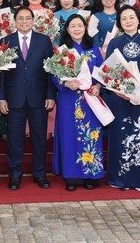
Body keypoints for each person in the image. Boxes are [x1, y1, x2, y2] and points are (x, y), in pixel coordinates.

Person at [0, 6, 56, 190]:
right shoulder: (5, 40)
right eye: (20, 18)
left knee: (39, 138)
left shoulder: (44, 41)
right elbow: (1, 73)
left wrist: (50, 95)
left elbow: (50, 70)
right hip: (14, 98)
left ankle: (40, 174)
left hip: (38, 98)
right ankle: (15, 175)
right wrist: (2, 98)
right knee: (15, 139)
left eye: (27, 18)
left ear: (33, 20)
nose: (24, 21)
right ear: (15, 21)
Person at [105, 5, 140, 190]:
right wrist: (117, 89)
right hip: (120, 97)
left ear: (138, 20)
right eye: (124, 18)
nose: (128, 21)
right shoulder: (114, 43)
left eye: (131, 17)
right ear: (120, 23)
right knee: (120, 136)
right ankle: (120, 179)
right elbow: (109, 69)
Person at [52, 15, 104, 191]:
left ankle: (90, 175)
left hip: (90, 99)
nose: (76, 29)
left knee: (91, 135)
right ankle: (71, 176)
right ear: (67, 29)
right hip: (69, 98)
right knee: (69, 135)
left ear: (85, 27)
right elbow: (53, 75)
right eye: (72, 26)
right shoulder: (62, 51)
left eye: (79, 25)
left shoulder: (94, 50)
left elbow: (103, 73)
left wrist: (98, 86)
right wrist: (66, 83)